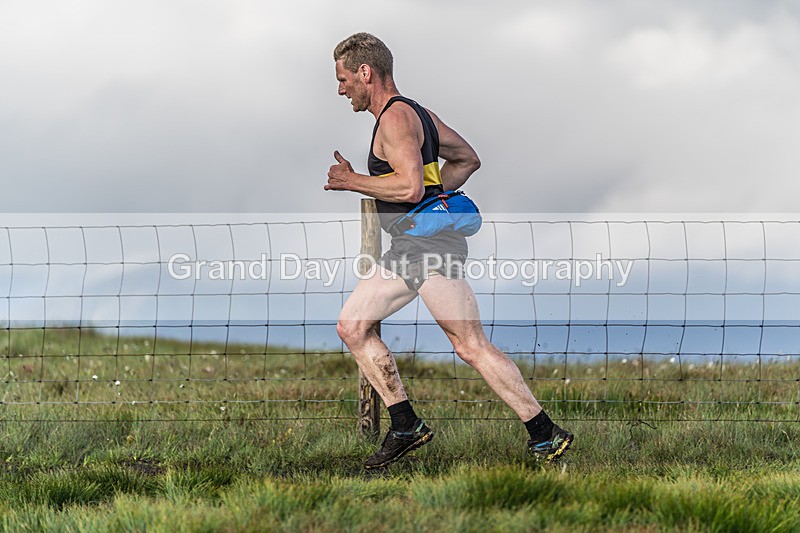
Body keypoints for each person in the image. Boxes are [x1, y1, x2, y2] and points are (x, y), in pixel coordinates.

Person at [326, 32, 573, 469]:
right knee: (352, 325)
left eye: (344, 78)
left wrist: (352, 182)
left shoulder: (395, 120)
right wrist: (433, 198)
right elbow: (467, 159)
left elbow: (408, 185)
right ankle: (405, 424)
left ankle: (544, 433)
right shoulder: (419, 114)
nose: (341, 88)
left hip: (429, 249)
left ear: (366, 72)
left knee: (470, 345)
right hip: (413, 246)